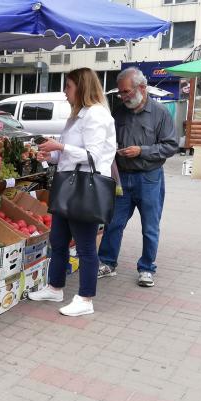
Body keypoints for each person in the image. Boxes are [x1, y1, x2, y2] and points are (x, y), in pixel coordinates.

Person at [27, 68, 116, 316]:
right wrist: (50, 154)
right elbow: (66, 156)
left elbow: (93, 156)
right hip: (68, 185)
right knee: (58, 240)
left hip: (85, 188)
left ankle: (86, 299)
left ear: (82, 87)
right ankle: (55, 287)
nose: (65, 92)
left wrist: (61, 146)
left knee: (86, 246)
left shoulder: (96, 115)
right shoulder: (76, 116)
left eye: (68, 86)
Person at [97, 67, 178, 288]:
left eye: (126, 92)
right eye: (121, 93)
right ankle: (107, 262)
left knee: (150, 226)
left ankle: (147, 268)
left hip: (149, 178)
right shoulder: (119, 112)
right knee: (114, 222)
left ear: (142, 87)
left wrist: (141, 151)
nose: (123, 97)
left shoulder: (160, 113)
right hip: (122, 177)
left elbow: (171, 146)